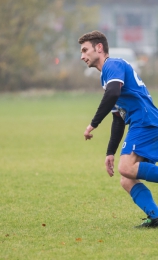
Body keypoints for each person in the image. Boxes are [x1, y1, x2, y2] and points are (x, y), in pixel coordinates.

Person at [79, 30, 158, 228]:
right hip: (142, 122)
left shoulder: (112, 65)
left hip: (145, 121)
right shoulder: (107, 76)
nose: (82, 56)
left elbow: (113, 93)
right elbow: (118, 119)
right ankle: (156, 216)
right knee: (126, 178)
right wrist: (110, 152)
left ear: (99, 48)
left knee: (126, 167)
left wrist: (93, 124)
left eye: (85, 50)